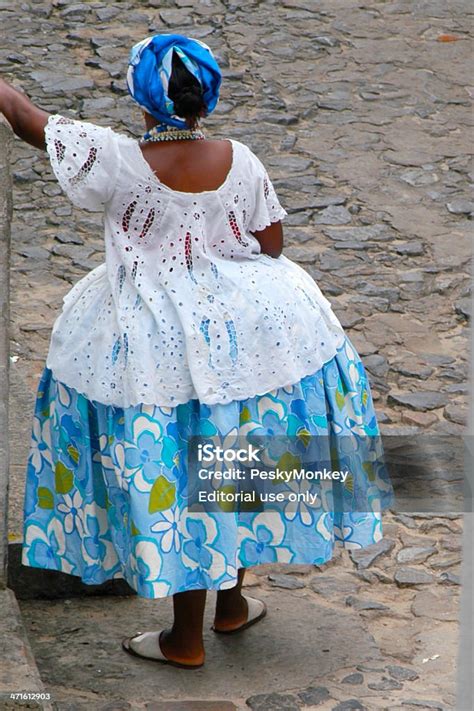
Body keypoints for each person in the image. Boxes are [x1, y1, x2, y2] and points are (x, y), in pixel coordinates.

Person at [1, 33, 392, 669]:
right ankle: (232, 606)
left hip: (149, 335)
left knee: (180, 469)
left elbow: (25, 118)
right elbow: (271, 243)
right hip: (248, 329)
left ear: (141, 98)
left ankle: (185, 639)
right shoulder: (241, 159)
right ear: (207, 95)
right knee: (231, 453)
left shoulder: (114, 158)